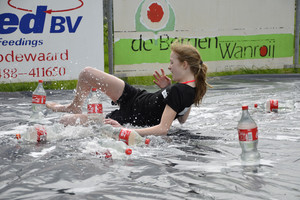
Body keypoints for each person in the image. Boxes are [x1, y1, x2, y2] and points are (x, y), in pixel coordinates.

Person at [46, 42, 211, 136]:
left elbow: (162, 129)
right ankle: (74, 105)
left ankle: (73, 111)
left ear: (184, 65)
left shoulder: (181, 91)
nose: (169, 67)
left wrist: (125, 129)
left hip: (130, 117)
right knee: (87, 74)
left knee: (65, 122)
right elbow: (181, 118)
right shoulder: (190, 87)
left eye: (172, 63)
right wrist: (166, 89)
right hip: (135, 96)